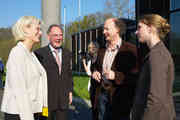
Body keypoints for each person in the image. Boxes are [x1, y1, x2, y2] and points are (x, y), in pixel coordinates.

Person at [1, 16, 48, 120]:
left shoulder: (32, 55)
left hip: (35, 112)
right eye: (37, 29)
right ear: (25, 29)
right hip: (20, 115)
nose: (40, 33)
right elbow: (20, 91)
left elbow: (41, 90)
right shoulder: (17, 53)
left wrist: (45, 113)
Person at [131, 14, 176, 120]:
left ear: (150, 28)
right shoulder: (155, 53)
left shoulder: (157, 55)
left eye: (139, 27)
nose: (136, 32)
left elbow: (156, 99)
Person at [92, 18, 138, 120]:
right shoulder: (101, 51)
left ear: (117, 29)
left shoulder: (131, 50)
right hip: (102, 97)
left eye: (106, 29)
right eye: (103, 29)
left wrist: (115, 76)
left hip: (120, 102)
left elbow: (135, 78)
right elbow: (95, 67)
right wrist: (95, 72)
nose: (103, 32)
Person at [34, 24, 73, 120]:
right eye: (55, 35)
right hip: (45, 103)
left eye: (60, 35)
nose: (59, 38)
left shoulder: (67, 53)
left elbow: (68, 75)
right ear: (48, 36)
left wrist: (70, 91)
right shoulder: (39, 54)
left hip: (63, 102)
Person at [82, 41, 99, 120]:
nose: (89, 50)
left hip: (98, 86)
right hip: (93, 86)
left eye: (91, 48)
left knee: (97, 108)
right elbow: (88, 72)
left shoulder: (98, 58)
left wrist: (84, 62)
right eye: (89, 48)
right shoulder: (91, 59)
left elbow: (88, 72)